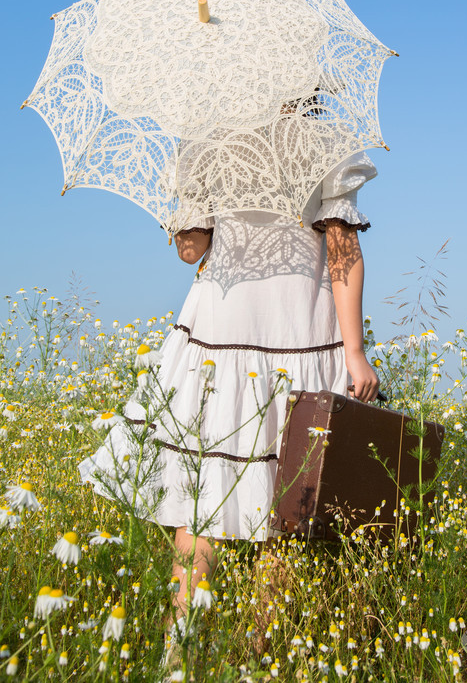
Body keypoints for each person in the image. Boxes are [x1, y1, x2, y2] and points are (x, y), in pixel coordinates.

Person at [78, 151, 379, 625]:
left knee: (199, 497)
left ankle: (179, 656)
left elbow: (192, 251)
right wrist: (355, 352)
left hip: (222, 327)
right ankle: (259, 661)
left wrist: (181, 223)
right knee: (289, 498)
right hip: (298, 328)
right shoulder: (326, 143)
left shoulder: (205, 141)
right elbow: (343, 251)